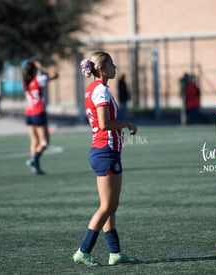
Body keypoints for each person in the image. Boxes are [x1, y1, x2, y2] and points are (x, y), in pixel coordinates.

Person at [73, 51, 138, 267]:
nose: (115, 67)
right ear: (101, 69)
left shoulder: (94, 88)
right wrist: (127, 123)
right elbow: (104, 124)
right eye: (111, 64)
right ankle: (83, 250)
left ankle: (115, 252)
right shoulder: (100, 90)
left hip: (105, 151)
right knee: (107, 206)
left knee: (111, 206)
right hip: (105, 150)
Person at [22, 60, 58, 174]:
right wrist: (42, 68)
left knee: (34, 141)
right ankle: (34, 160)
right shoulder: (39, 80)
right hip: (38, 113)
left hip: (28, 113)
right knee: (44, 142)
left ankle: (35, 167)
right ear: (35, 70)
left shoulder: (25, 82)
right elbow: (55, 75)